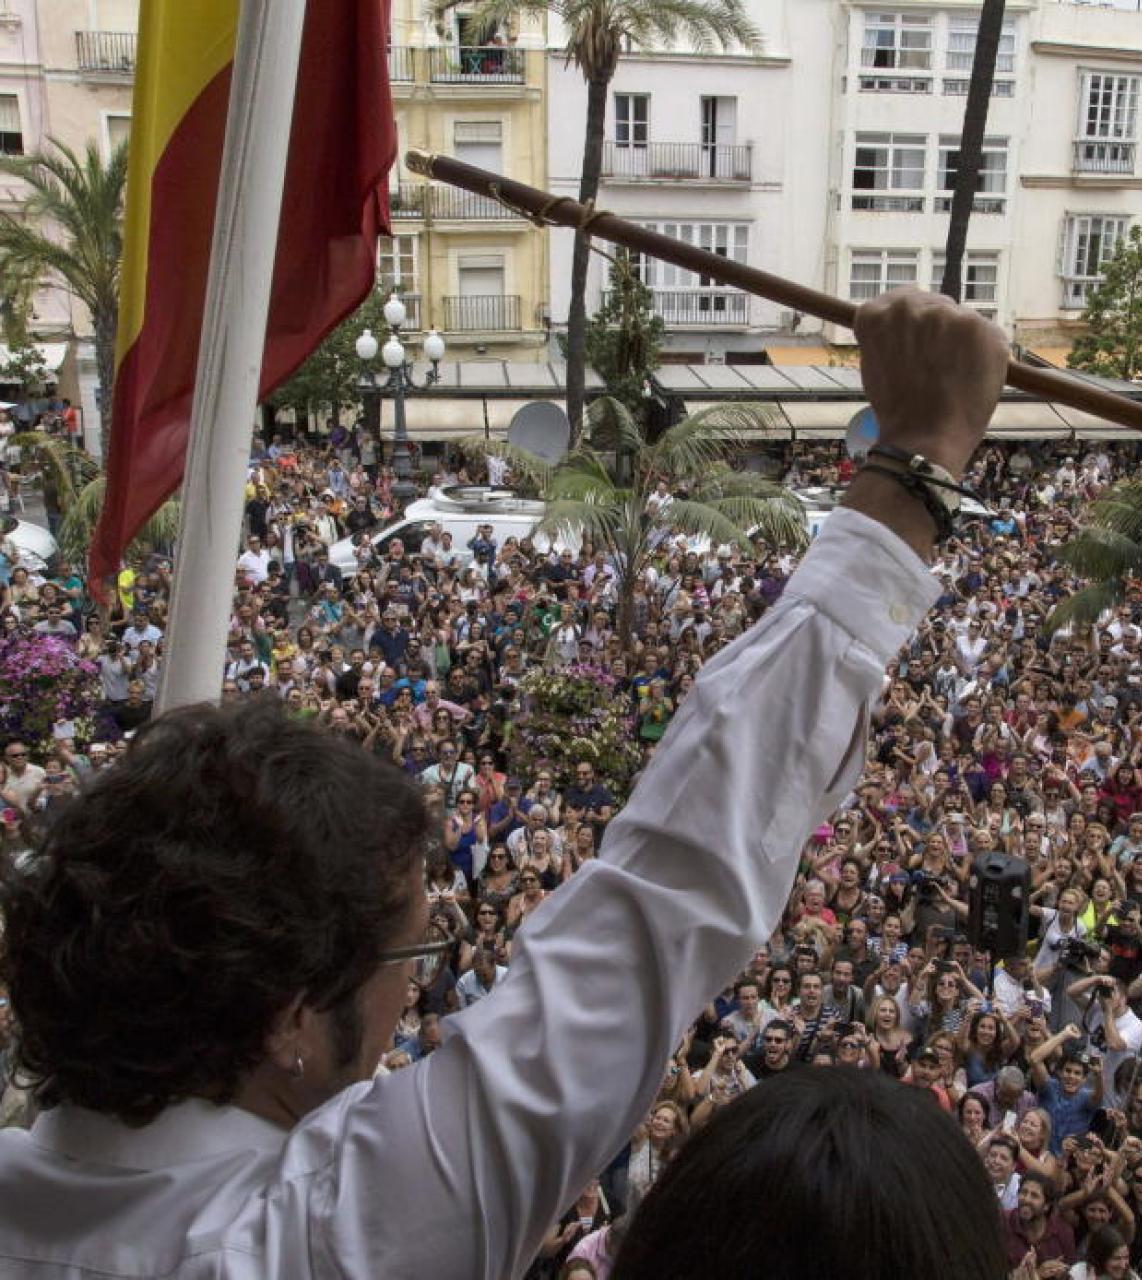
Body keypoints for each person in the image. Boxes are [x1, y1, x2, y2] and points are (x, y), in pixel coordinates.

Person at [0, 288, 1012, 1279]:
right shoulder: (324, 1240)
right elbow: (671, 885)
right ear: (290, 1022)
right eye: (407, 953)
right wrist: (913, 465)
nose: (416, 1001)